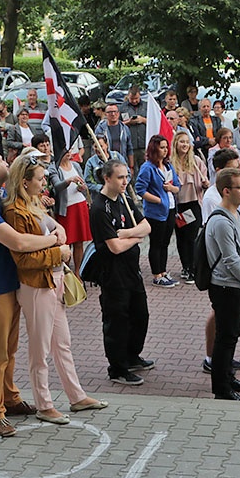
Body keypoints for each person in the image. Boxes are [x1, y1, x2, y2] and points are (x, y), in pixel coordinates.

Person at [1, 154, 107, 423]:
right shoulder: (15, 211)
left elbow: (52, 227)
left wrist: (58, 230)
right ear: (25, 182)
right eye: (40, 179)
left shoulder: (34, 203)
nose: (44, 182)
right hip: (37, 285)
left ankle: (76, 396)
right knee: (40, 350)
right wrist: (58, 251)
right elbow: (22, 259)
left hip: (54, 281)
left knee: (63, 344)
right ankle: (44, 404)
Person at [0, 148, 60, 437]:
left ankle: (10, 397)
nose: (7, 163)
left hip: (9, 284)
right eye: (1, 160)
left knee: (9, 350)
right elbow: (17, 242)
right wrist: (53, 241)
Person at [89, 160, 154, 385]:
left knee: (140, 315)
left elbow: (147, 227)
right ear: (107, 178)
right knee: (117, 321)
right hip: (112, 273)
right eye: (120, 177)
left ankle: (132, 355)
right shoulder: (99, 207)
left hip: (132, 270)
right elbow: (113, 247)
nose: (125, 181)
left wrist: (127, 233)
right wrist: (135, 238)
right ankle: (117, 368)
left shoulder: (124, 200)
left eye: (126, 177)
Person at [206, 168, 240, 401]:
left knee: (232, 335)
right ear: (227, 191)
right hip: (226, 286)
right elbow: (230, 258)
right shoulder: (221, 221)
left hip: (237, 284)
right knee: (225, 338)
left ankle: (228, 376)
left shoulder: (235, 215)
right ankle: (222, 388)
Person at [136, 135, 182, 287]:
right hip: (155, 212)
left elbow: (177, 185)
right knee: (156, 243)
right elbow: (140, 189)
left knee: (165, 242)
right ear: (154, 149)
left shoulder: (168, 166)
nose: (165, 150)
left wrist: (172, 189)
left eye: (166, 147)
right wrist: (157, 199)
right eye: (162, 147)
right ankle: (156, 274)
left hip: (169, 209)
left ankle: (163, 271)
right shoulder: (148, 167)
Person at [172, 130, 209, 282]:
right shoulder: (170, 163)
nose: (185, 145)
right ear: (176, 144)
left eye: (187, 142)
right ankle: (185, 266)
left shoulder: (196, 161)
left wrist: (206, 183)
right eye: (182, 142)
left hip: (193, 204)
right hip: (178, 206)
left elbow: (204, 180)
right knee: (181, 238)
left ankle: (194, 267)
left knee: (192, 237)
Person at [48, 145, 92, 272]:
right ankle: (66, 273)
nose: (68, 152)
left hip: (80, 205)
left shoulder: (76, 165)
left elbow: (83, 184)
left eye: (70, 149)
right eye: (65, 150)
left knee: (79, 242)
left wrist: (82, 187)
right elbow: (57, 186)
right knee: (66, 242)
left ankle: (77, 272)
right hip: (66, 209)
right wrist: (69, 180)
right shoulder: (53, 167)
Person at [95, 104, 133, 171]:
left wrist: (131, 166)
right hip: (106, 163)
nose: (113, 114)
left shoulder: (125, 129)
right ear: (106, 114)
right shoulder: (100, 129)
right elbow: (96, 147)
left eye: (115, 111)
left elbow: (129, 148)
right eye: (110, 112)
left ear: (118, 113)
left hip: (122, 163)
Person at [120, 87, 148, 165]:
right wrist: (129, 122)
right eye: (132, 99)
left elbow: (154, 122)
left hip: (144, 145)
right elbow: (118, 124)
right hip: (130, 145)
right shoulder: (122, 108)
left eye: (136, 98)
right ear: (128, 96)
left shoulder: (147, 106)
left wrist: (143, 120)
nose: (134, 101)